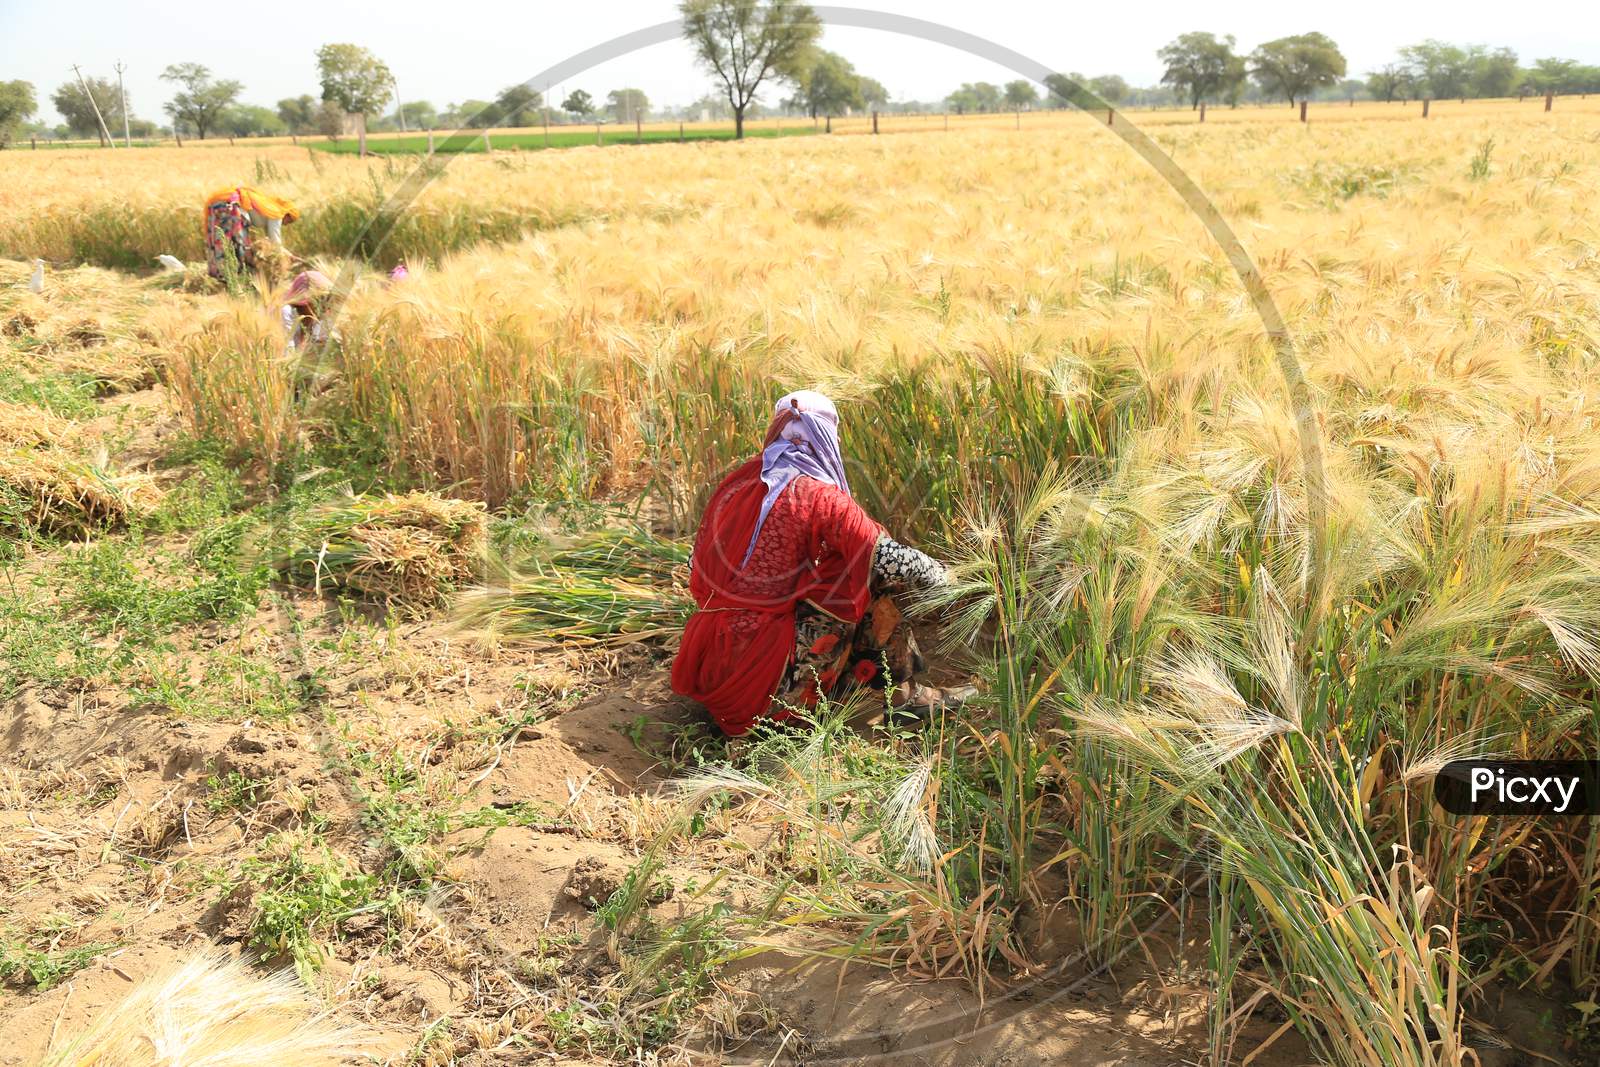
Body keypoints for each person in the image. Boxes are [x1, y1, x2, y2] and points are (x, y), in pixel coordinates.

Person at [672, 390, 975, 737]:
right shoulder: (821, 498)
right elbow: (892, 560)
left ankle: (858, 690)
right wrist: (955, 579)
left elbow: (697, 562)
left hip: (713, 670)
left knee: (841, 570)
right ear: (826, 436)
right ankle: (901, 697)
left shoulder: (737, 484)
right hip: (767, 690)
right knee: (875, 575)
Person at [203, 186, 300, 281]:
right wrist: (287, 258)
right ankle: (236, 278)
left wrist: (288, 254)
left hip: (219, 206)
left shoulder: (269, 209)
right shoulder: (277, 214)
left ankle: (221, 275)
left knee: (220, 243)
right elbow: (275, 241)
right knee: (241, 249)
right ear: (287, 214)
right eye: (290, 220)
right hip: (232, 211)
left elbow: (271, 241)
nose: (286, 224)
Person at [280, 270, 334, 351]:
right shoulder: (288, 312)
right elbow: (288, 352)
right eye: (319, 300)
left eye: (326, 300)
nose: (324, 307)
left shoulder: (321, 320)